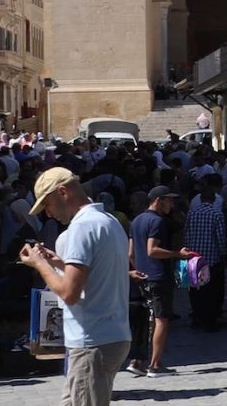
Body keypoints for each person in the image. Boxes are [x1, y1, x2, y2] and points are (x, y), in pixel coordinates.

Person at [20, 166, 137, 404]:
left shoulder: (81, 227)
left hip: (92, 342)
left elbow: (69, 293)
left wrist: (40, 263)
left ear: (62, 192)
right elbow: (97, 274)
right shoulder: (107, 221)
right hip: (110, 335)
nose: (48, 214)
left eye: (47, 205)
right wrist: (60, 263)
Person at [128, 186, 194, 376]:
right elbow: (152, 250)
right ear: (159, 200)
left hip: (142, 277)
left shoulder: (137, 220)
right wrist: (177, 254)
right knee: (161, 320)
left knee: (147, 320)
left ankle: (137, 361)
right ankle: (155, 365)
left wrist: (138, 268)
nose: (172, 205)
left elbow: (131, 253)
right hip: (158, 277)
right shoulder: (157, 221)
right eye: (169, 201)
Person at [184, 173, 227, 332]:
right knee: (209, 291)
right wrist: (223, 256)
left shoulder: (192, 213)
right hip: (211, 259)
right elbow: (220, 238)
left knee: (194, 290)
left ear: (201, 199)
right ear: (213, 200)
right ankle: (209, 321)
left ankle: (196, 317)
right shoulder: (217, 214)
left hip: (192, 257)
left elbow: (186, 234)